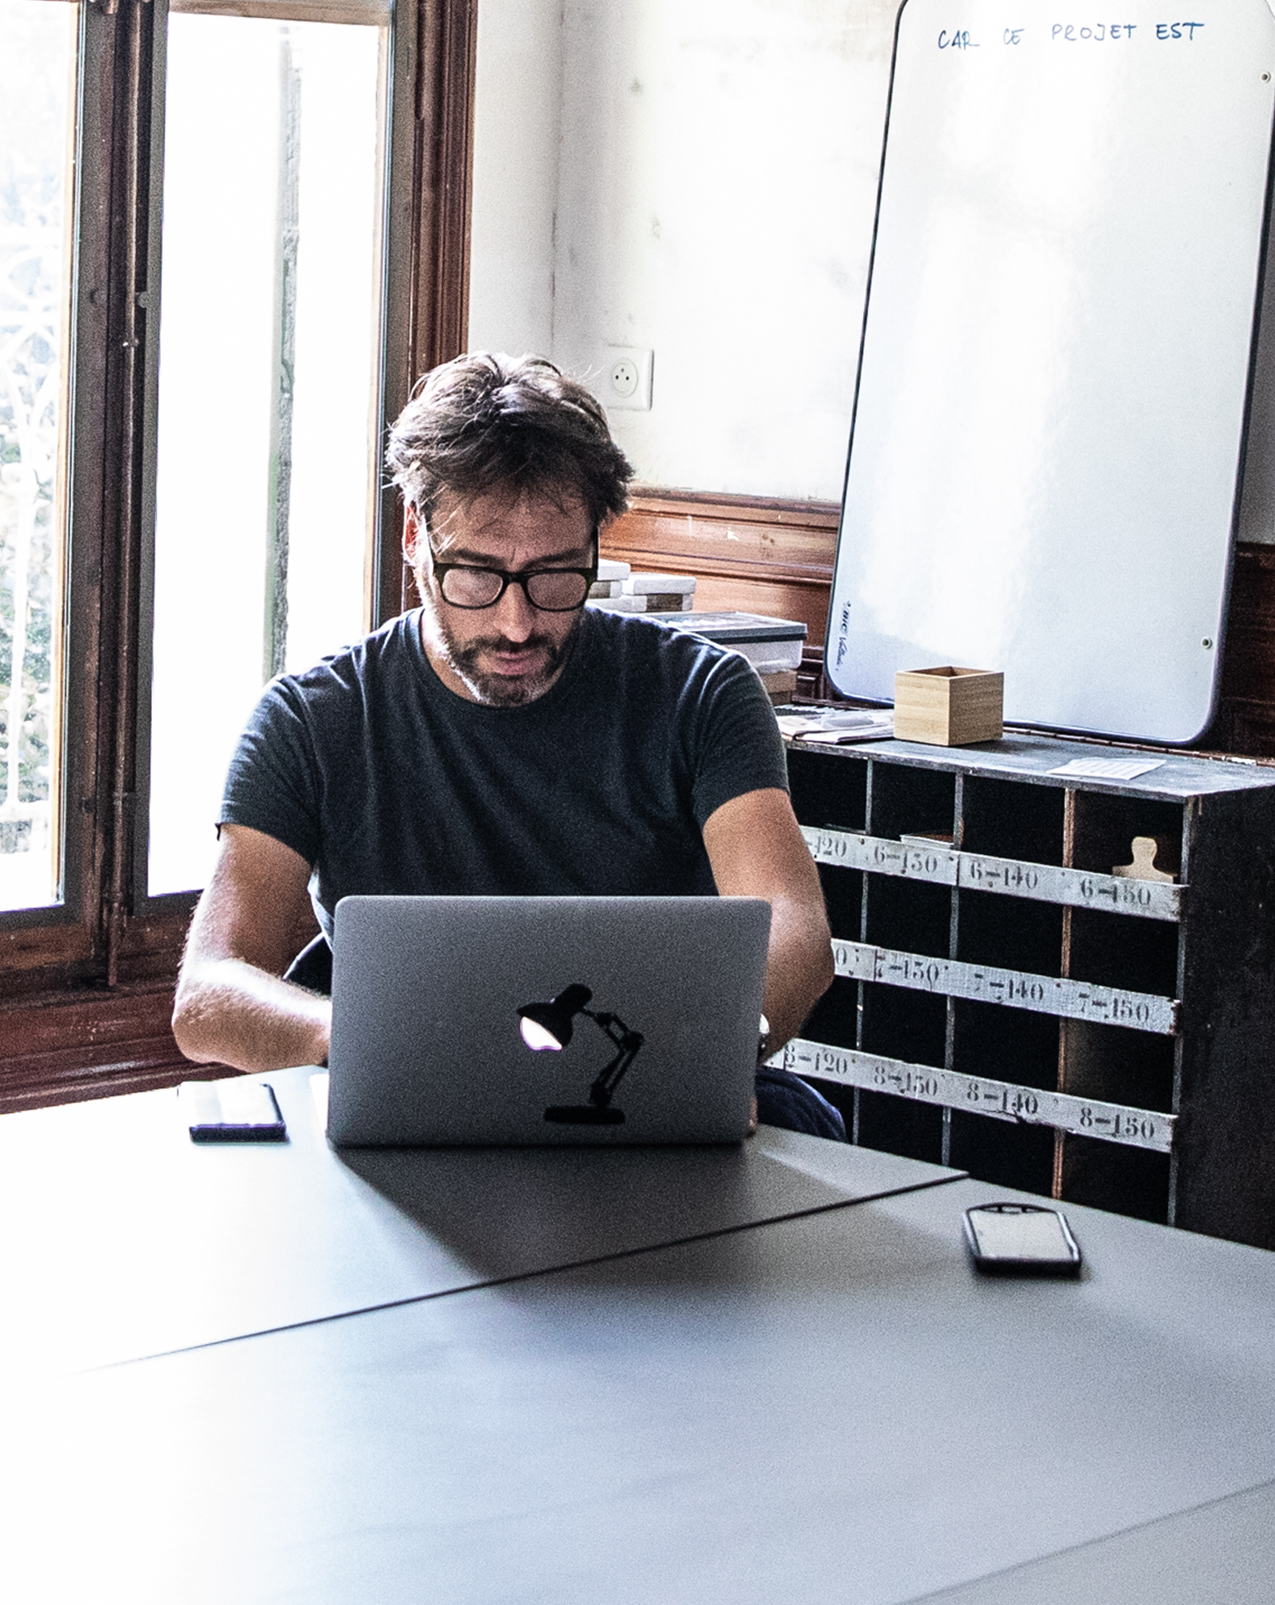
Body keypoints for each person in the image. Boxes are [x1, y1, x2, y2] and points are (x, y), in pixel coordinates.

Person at [173, 353, 838, 1121]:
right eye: (477, 575)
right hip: (406, 1101)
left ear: (594, 542)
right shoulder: (311, 718)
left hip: (640, 1089)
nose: (516, 623)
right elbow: (208, 991)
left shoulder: (701, 693)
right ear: (414, 535)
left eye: (554, 575)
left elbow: (794, 931)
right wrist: (360, 1039)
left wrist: (714, 1050)